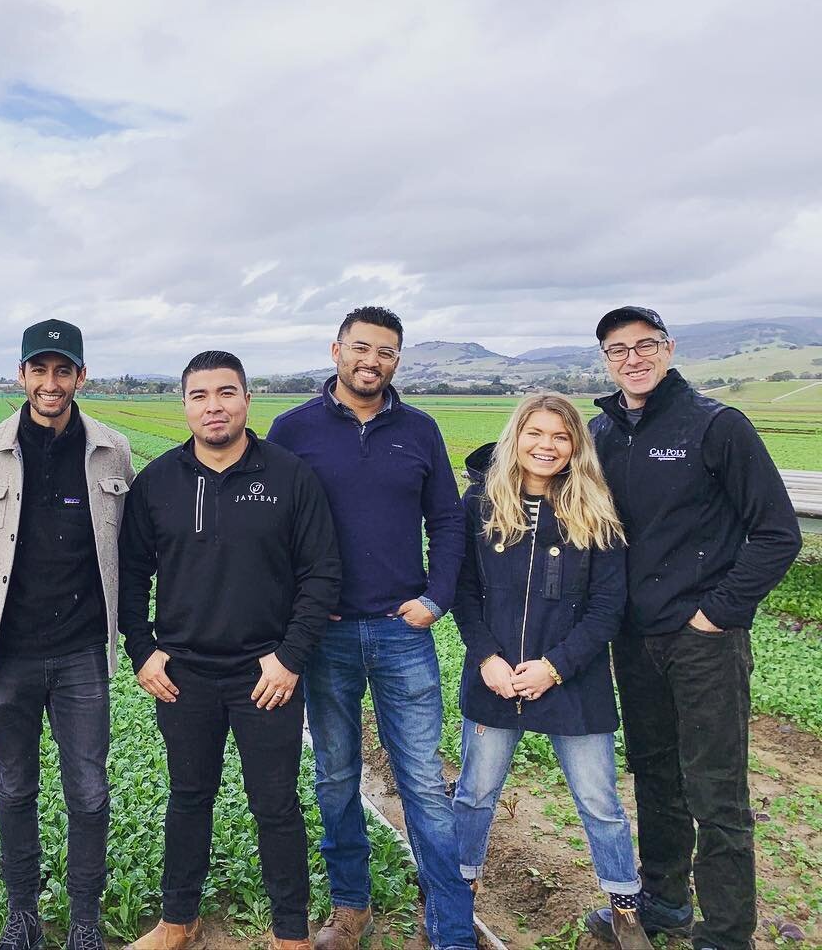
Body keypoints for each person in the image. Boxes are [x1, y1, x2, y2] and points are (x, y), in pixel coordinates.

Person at [585, 307, 801, 950]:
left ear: (669, 349)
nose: (633, 358)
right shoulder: (601, 433)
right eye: (618, 349)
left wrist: (718, 614)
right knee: (655, 775)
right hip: (634, 638)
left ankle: (729, 932)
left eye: (645, 345)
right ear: (605, 360)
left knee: (717, 790)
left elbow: (776, 532)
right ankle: (665, 902)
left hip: (703, 640)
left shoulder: (716, 426)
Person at [267, 305, 476, 950]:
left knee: (420, 778)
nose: (372, 360)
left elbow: (446, 520)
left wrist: (436, 598)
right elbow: (270, 526)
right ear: (335, 351)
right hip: (324, 635)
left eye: (385, 351)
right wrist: (297, 610)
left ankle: (449, 927)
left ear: (396, 361)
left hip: (401, 629)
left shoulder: (419, 429)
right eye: (361, 347)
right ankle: (350, 910)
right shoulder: (293, 429)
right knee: (335, 776)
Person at [118, 350, 340, 950]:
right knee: (189, 795)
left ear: (247, 398)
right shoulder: (158, 482)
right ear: (184, 404)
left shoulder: (290, 476)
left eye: (225, 392)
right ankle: (177, 921)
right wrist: (143, 650)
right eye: (199, 395)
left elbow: (321, 574)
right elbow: (130, 575)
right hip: (183, 674)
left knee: (276, 804)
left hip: (264, 674)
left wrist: (290, 658)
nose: (213, 406)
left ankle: (290, 933)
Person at [0, 319, 134, 950]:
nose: (50, 383)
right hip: (9, 653)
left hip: (82, 651)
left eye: (63, 371)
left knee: (88, 788)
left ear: (81, 376)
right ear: (22, 374)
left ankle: (84, 917)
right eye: (39, 370)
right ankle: (22, 913)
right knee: (14, 784)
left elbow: (137, 547)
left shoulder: (112, 449)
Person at [449, 394, 647, 949]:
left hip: (572, 681)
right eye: (535, 432)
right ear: (517, 437)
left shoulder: (596, 512)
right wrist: (486, 657)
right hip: (496, 677)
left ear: (575, 447)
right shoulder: (481, 508)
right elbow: (465, 592)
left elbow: (609, 607)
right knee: (475, 791)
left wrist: (554, 668)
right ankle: (455, 892)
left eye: (560, 437)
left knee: (599, 801)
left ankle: (625, 910)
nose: (546, 445)